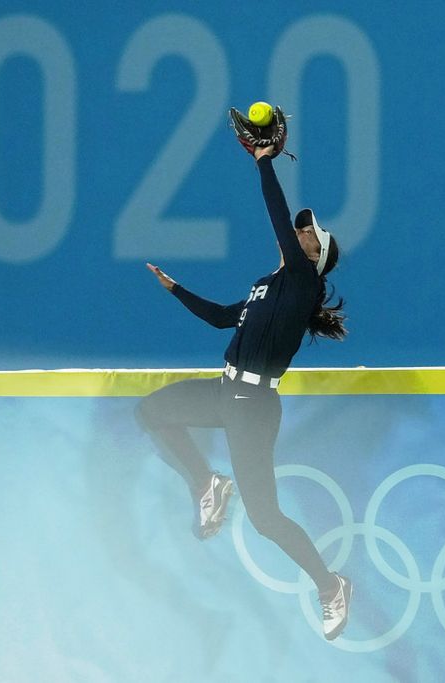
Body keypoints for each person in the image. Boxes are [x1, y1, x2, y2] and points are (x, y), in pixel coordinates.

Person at [135, 144, 352, 641]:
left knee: (264, 517)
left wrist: (263, 161)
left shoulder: (303, 285)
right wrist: (175, 288)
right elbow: (219, 319)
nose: (299, 233)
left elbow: (276, 216)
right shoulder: (266, 285)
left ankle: (330, 585)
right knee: (153, 412)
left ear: (314, 259)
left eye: (308, 236)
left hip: (254, 408)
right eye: (301, 229)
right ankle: (207, 483)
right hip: (224, 392)